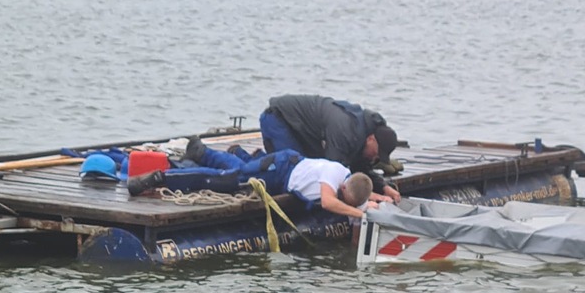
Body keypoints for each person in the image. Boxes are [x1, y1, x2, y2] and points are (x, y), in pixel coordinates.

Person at [127, 137, 390, 220]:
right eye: (342, 195)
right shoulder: (334, 177)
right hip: (280, 169)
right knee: (227, 181)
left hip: (284, 169)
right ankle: (160, 178)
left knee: (240, 170)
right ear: (342, 186)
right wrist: (361, 215)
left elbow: (356, 195)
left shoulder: (349, 180)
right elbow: (329, 201)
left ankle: (223, 153)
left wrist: (378, 198)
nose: (341, 199)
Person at [260, 94, 401, 203]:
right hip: (278, 118)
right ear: (371, 139)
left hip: (303, 131)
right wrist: (370, 197)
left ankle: (258, 158)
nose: (374, 159)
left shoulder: (363, 134)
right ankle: (244, 161)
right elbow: (334, 174)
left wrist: (384, 187)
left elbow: (360, 168)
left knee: (305, 168)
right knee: (289, 171)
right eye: (376, 154)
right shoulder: (345, 131)